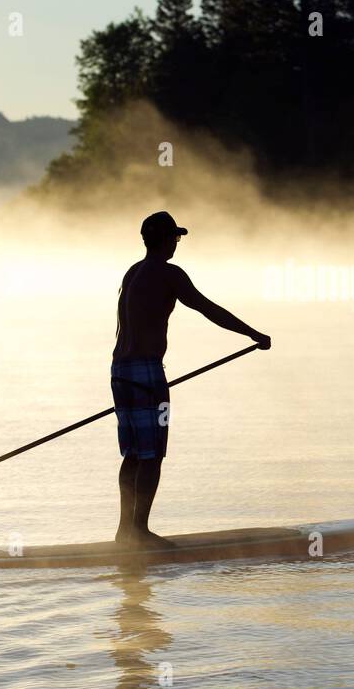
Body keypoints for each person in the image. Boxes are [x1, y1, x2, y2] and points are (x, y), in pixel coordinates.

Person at [111, 211, 271, 547]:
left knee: (134, 453)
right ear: (165, 240)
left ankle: (125, 530)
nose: (177, 243)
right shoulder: (169, 274)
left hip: (119, 372)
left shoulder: (132, 272)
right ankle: (138, 532)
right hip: (147, 373)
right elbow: (207, 308)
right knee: (152, 453)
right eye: (175, 238)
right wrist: (253, 334)